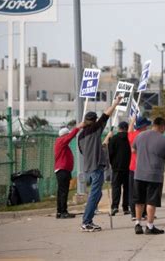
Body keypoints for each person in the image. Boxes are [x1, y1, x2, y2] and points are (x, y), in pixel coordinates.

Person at [78, 95, 122, 232]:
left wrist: (103, 144)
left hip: (88, 167)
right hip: (95, 167)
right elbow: (106, 115)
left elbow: (85, 151)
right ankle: (87, 221)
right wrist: (115, 103)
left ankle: (88, 219)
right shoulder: (95, 129)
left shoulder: (81, 136)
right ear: (94, 121)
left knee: (97, 194)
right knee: (95, 194)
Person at [132, 117, 165, 235]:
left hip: (139, 173)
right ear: (162, 126)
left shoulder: (140, 136)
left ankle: (137, 224)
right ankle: (150, 226)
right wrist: (163, 157)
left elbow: (133, 150)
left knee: (139, 201)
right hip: (155, 175)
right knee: (151, 201)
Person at [54, 122, 85, 219]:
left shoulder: (61, 143)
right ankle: (63, 212)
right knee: (63, 192)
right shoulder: (61, 141)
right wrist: (78, 128)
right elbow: (69, 137)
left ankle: (60, 211)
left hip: (63, 170)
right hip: (62, 170)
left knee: (61, 192)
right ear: (65, 135)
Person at [103, 121, 131, 216]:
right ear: (127, 128)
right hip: (128, 167)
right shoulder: (130, 138)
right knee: (127, 188)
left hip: (116, 167)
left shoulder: (114, 139)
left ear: (119, 128)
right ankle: (126, 207)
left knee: (116, 188)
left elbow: (109, 153)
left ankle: (115, 206)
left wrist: (112, 163)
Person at [128, 115, 151, 221]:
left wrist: (132, 121)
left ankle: (134, 213)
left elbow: (129, 130)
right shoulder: (145, 137)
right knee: (145, 191)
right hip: (144, 168)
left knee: (134, 192)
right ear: (144, 126)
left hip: (133, 168)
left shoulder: (132, 136)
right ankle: (144, 213)